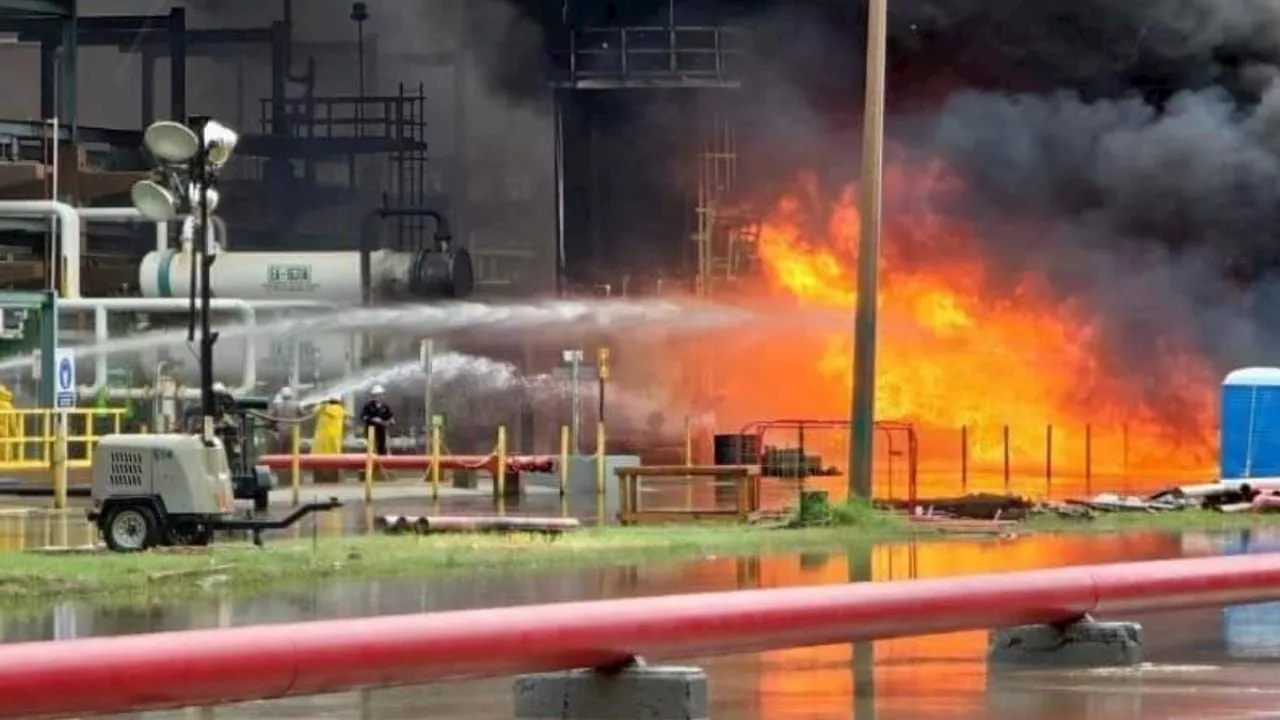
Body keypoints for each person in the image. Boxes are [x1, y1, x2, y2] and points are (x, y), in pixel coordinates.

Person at [311, 395, 347, 484]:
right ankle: (334, 479)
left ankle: (320, 480)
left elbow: (313, 410)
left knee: (319, 461)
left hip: (321, 441)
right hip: (334, 440)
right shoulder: (341, 410)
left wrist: (321, 402)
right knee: (334, 461)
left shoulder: (323, 408)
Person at [360, 385, 395, 456]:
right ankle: (372, 464)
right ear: (373, 396)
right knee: (372, 448)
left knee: (381, 447)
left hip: (381, 430)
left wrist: (391, 421)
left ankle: (380, 464)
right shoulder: (368, 406)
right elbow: (363, 416)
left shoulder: (385, 407)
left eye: (381, 395)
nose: (379, 397)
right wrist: (373, 419)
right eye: (377, 395)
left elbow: (390, 416)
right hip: (371, 429)